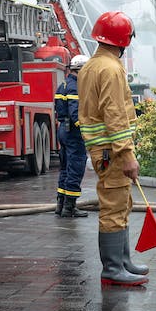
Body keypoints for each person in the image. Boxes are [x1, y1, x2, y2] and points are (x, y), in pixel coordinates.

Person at [77, 11, 148, 287]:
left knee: (121, 203)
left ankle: (122, 261)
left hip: (102, 150)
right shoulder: (111, 68)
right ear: (123, 39)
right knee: (114, 207)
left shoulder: (90, 66)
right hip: (112, 150)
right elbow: (115, 113)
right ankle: (112, 268)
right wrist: (127, 154)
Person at [54, 54, 90, 218]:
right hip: (73, 133)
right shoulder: (75, 87)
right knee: (76, 167)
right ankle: (70, 207)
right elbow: (76, 114)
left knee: (65, 168)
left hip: (63, 129)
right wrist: (86, 131)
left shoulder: (63, 84)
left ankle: (60, 204)